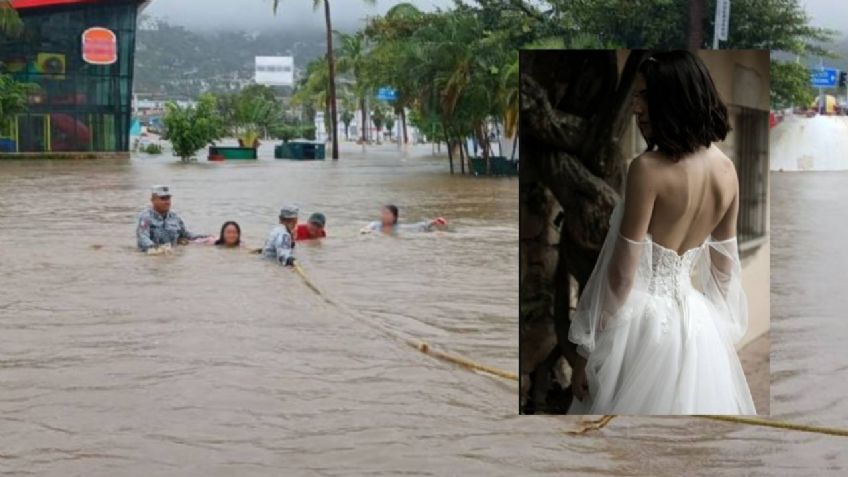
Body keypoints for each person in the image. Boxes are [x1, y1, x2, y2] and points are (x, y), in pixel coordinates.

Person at [566, 51, 755, 415]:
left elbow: (621, 277)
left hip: (638, 329)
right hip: (698, 330)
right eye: (636, 96)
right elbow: (724, 271)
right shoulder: (728, 171)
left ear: (674, 100)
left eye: (644, 96)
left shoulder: (647, 170)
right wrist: (714, 338)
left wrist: (588, 351)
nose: (636, 108)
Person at [136, 185, 210, 254]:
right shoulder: (145, 217)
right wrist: (158, 249)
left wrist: (207, 237)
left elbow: (186, 235)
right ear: (153, 200)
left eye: (168, 198)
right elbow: (143, 238)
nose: (167, 202)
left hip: (171, 254)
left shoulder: (175, 217)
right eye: (163, 199)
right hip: (153, 255)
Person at [360, 204, 447, 234]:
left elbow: (418, 225)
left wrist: (434, 222)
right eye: (383, 213)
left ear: (394, 217)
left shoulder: (400, 228)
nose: (384, 215)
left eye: (387, 213)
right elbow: (365, 229)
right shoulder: (375, 224)